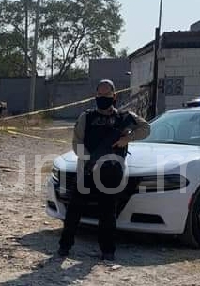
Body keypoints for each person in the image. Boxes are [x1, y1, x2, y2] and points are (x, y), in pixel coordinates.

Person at [58, 79, 150, 261]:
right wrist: (90, 161)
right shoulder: (87, 117)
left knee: (107, 213)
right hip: (87, 171)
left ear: (114, 96)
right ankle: (64, 247)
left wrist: (127, 139)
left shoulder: (124, 117)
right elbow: (77, 143)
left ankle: (107, 251)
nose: (102, 98)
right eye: (99, 95)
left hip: (111, 173)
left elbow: (146, 128)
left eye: (106, 95)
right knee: (74, 210)